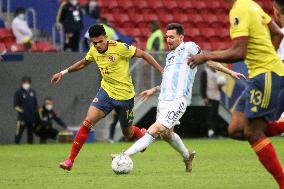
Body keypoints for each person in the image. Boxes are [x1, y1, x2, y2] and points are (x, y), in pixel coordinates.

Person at [114, 23, 245, 172]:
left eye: (171, 37)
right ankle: (187, 156)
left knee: (156, 129)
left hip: (179, 100)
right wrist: (155, 89)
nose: (168, 40)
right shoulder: (169, 56)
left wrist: (229, 72)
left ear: (181, 37)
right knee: (166, 134)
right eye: (166, 37)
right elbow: (168, 80)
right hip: (163, 100)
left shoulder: (189, 47)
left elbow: (208, 60)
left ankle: (124, 156)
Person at [189, 0, 284, 188]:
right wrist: (268, 55)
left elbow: (239, 52)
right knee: (235, 129)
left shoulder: (239, 9)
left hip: (266, 74)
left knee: (253, 132)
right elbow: (277, 33)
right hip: (262, 73)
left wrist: (206, 55)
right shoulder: (253, 5)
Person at [51, 24, 163, 171]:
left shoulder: (120, 48)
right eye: (94, 42)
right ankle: (70, 160)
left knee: (127, 133)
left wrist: (162, 71)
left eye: (100, 41)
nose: (97, 45)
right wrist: (63, 72)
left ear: (106, 38)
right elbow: (84, 63)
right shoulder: (93, 50)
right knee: (87, 122)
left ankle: (142, 134)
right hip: (106, 93)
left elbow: (144, 54)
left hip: (125, 97)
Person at [200, 64, 226, 138]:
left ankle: (214, 132)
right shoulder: (205, 72)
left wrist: (220, 85)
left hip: (216, 97)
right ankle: (210, 133)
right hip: (209, 96)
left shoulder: (217, 74)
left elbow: (219, 88)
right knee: (210, 115)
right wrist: (204, 97)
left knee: (215, 115)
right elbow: (203, 85)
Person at [14, 76, 38, 144]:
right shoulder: (18, 92)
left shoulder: (32, 92)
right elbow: (16, 106)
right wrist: (23, 112)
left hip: (31, 117)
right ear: (22, 83)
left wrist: (34, 113)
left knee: (30, 134)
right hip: (22, 118)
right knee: (19, 133)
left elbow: (35, 104)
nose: (26, 84)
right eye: (25, 82)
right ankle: (16, 145)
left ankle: (30, 147)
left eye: (28, 82)